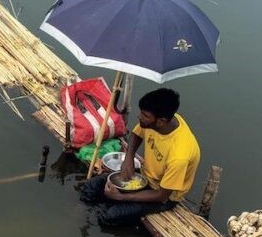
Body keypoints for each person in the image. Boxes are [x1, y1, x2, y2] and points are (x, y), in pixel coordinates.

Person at [80, 87, 200, 227]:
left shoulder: (179, 155)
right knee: (89, 187)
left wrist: (121, 197)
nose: (139, 117)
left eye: (144, 115)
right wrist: (128, 159)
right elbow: (136, 134)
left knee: (108, 216)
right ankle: (80, 216)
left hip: (162, 195)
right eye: (141, 113)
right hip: (143, 176)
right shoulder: (159, 121)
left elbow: (162, 195)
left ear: (161, 121)